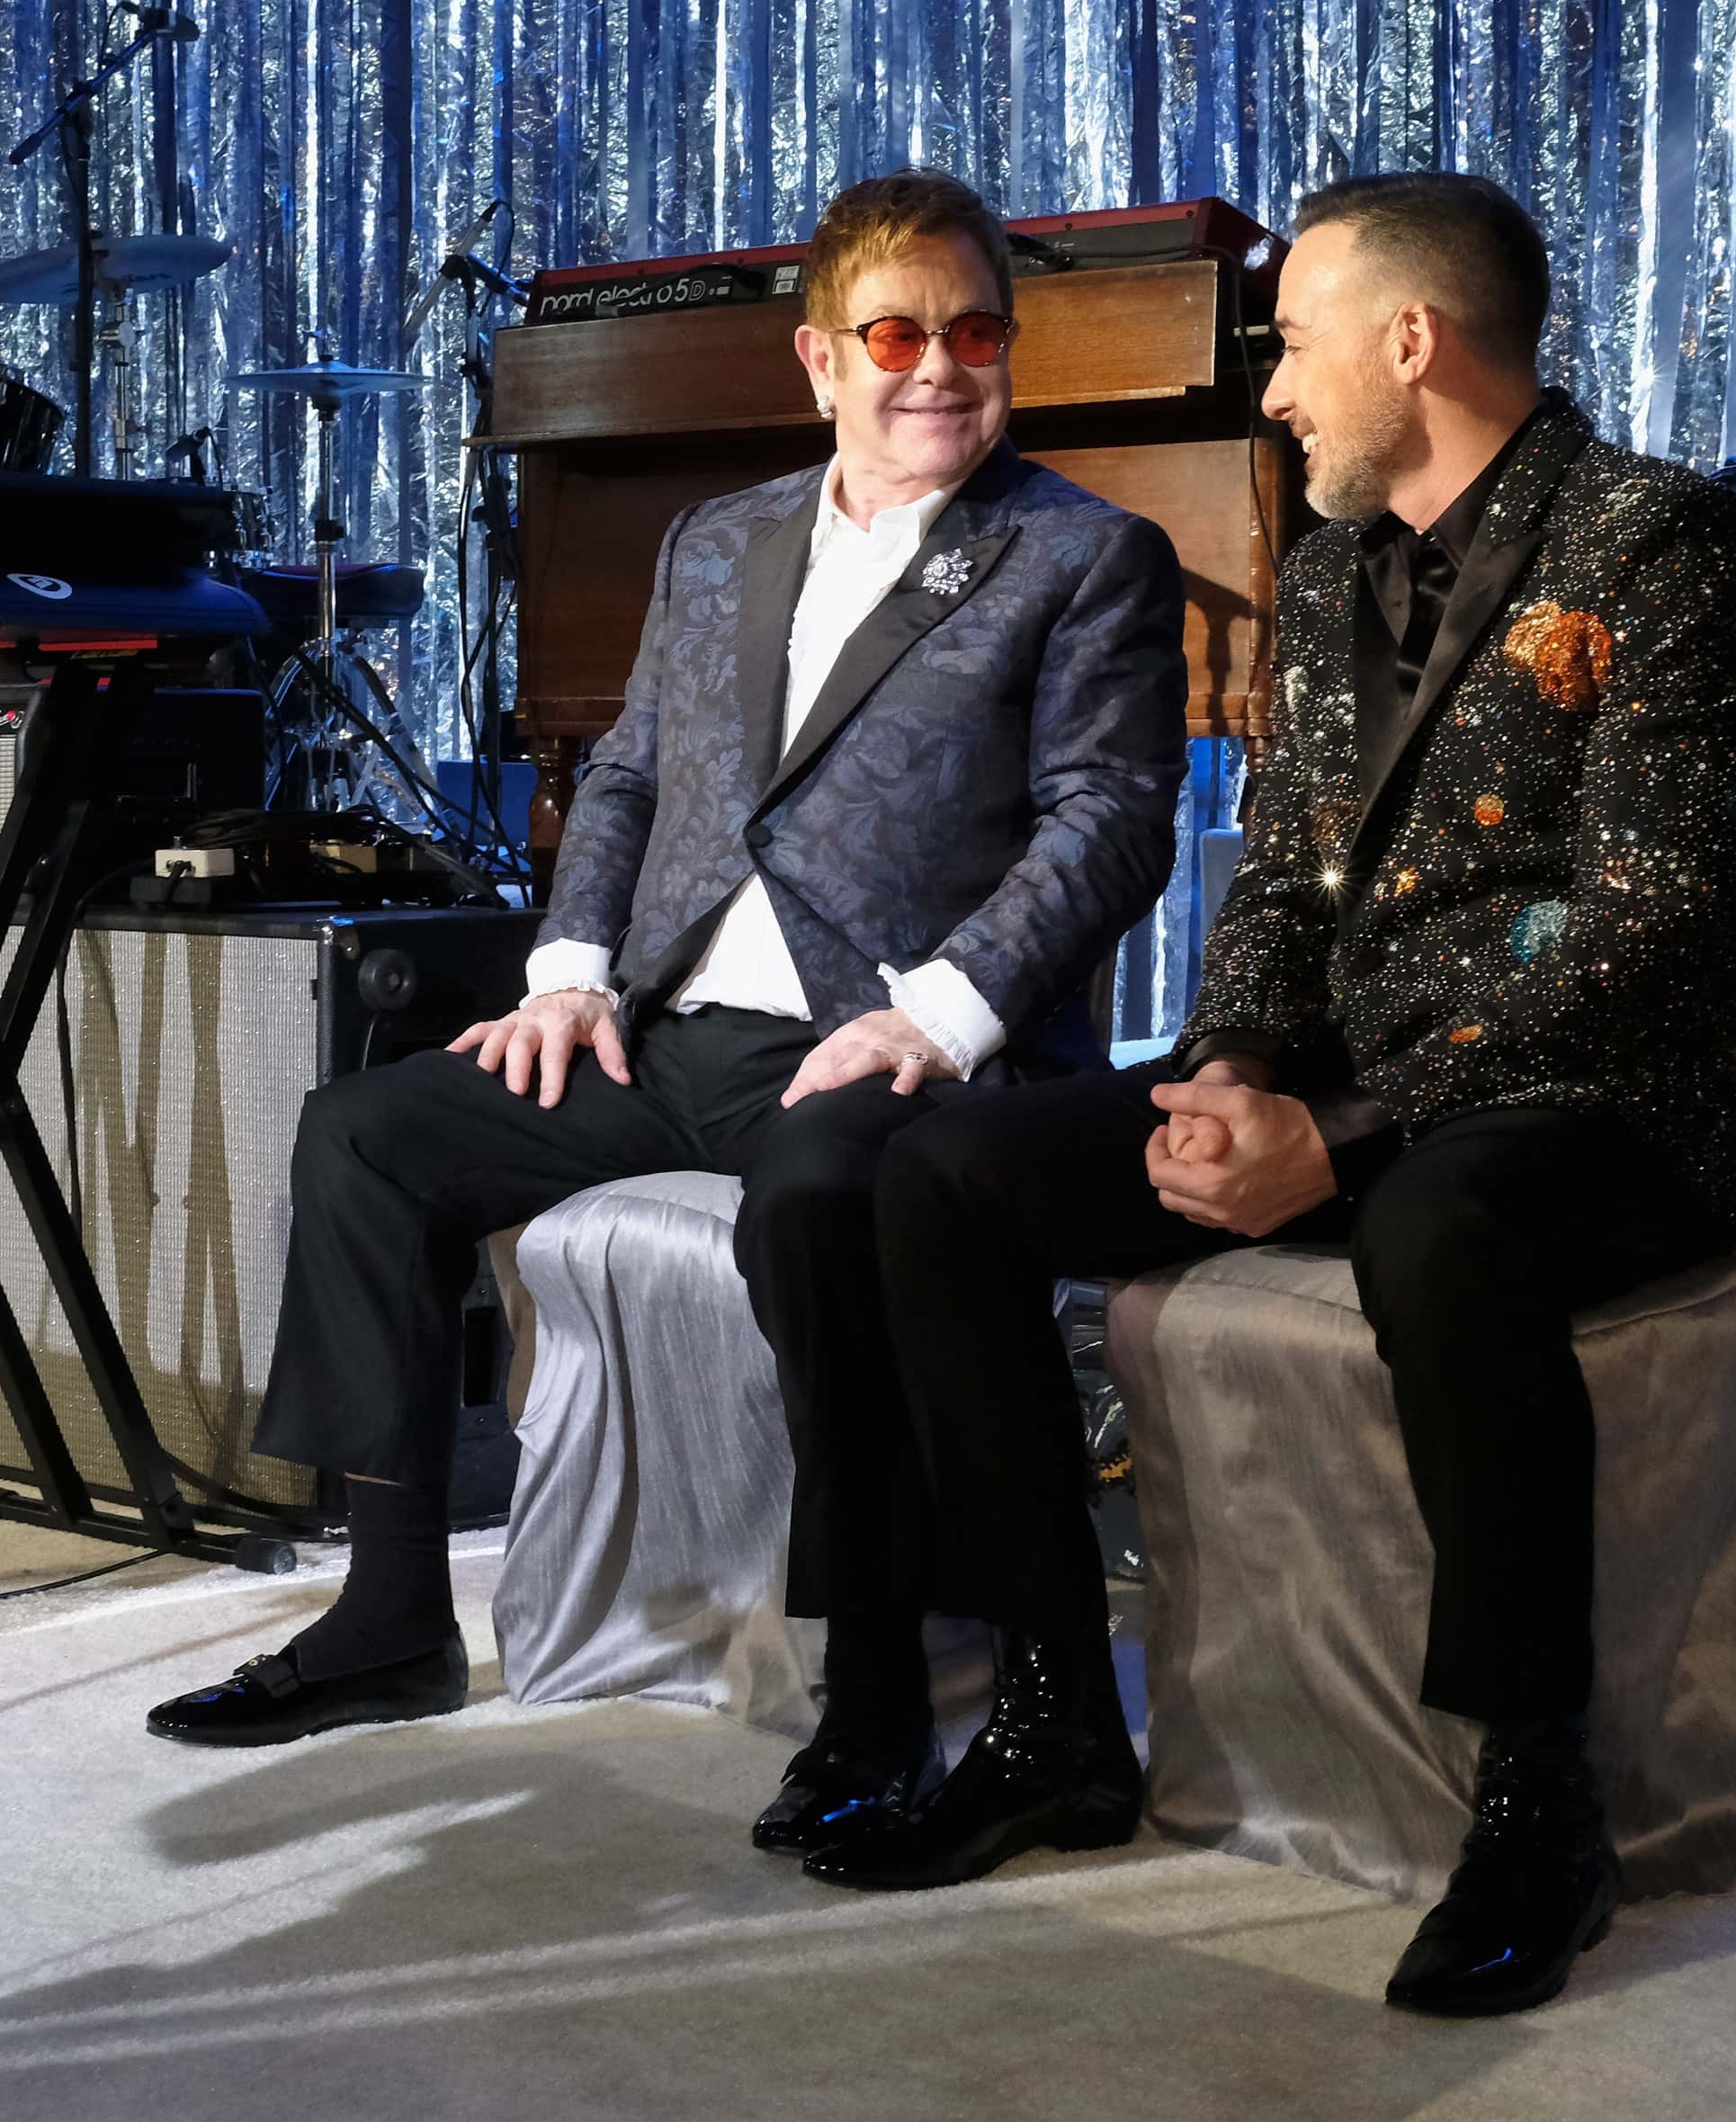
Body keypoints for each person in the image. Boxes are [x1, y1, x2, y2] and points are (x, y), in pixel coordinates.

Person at [781, 174, 1736, 2019]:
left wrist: (1347, 1134)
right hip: (1346, 1082)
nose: (1272, 391)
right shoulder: (1328, 571)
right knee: (942, 1172)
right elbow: (1271, 882)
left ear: (1414, 341)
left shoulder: (1668, 546)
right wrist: (1235, 1072)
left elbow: (1653, 921)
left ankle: (1535, 1802)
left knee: (1441, 1218)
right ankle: (1053, 1711)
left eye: (1296, 342)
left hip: (1600, 1104)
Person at [143, 170, 1191, 1858]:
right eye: (898, 333)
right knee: (367, 1135)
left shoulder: (1083, 554)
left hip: (890, 1051)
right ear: (819, 360)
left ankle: (870, 1698)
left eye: (978, 331)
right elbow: (627, 778)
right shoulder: (720, 540)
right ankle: (389, 1616)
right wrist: (568, 974)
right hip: (675, 1026)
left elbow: (1111, 819)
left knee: (828, 1205)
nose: (941, 366)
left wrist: (940, 1014)